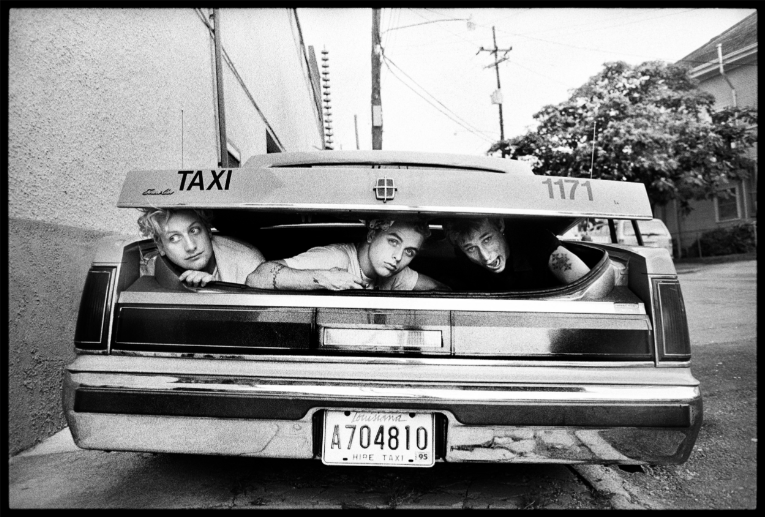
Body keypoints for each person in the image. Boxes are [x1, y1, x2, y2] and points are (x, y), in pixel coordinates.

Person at [245, 218, 449, 291]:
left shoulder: (395, 273)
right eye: (393, 242)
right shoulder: (336, 258)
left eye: (409, 252)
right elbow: (257, 277)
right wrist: (324, 278)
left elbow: (439, 288)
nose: (398, 257)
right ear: (372, 234)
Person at [442, 217, 590, 291]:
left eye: (487, 239)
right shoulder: (465, 264)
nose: (486, 257)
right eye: (471, 249)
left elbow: (590, 288)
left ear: (500, 226)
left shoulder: (537, 243)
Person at [137, 208, 265, 287]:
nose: (191, 246)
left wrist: (215, 291)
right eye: (174, 238)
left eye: (194, 230)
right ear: (160, 246)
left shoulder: (246, 261)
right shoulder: (152, 269)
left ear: (208, 230)